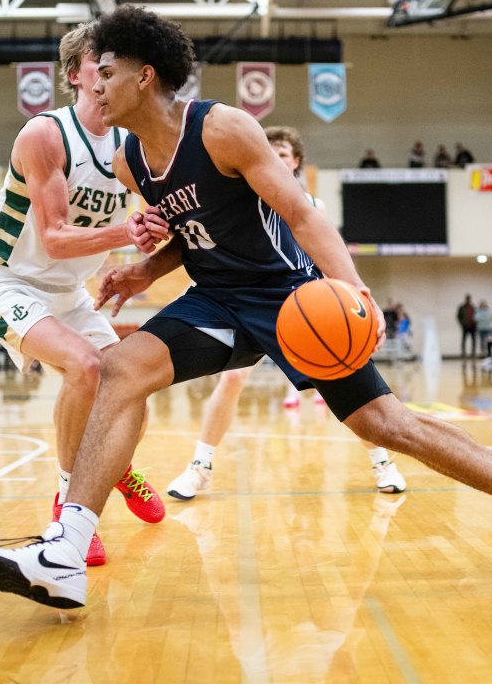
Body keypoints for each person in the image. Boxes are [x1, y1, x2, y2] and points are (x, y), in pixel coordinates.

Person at [0, 5, 492, 608]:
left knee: (387, 426)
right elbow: (189, 234)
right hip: (216, 299)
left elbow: (301, 213)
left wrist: (354, 290)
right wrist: (142, 270)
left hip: (288, 300)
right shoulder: (132, 160)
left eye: (106, 74)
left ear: (145, 76)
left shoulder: (222, 129)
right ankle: (66, 553)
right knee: (119, 368)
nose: (95, 87)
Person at [0, 19, 170, 567]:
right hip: (5, 281)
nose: (108, 73)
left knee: (131, 382)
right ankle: (67, 501)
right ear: (76, 75)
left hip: (69, 292)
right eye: (99, 63)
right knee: (85, 367)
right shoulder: (44, 135)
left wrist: (153, 241)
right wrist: (128, 233)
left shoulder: (131, 146)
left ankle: (116, 464)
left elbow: (158, 214)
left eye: (116, 64)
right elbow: (55, 238)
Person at [165, 126, 406, 501]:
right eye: (269, 151)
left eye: (283, 154)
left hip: (304, 304)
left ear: (295, 162)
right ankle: (200, 467)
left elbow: (327, 259)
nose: (276, 158)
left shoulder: (311, 203)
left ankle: (382, 462)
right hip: (251, 303)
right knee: (230, 383)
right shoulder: (240, 200)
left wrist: (350, 302)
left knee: (343, 388)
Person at [456, 294, 477, 358]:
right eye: (467, 299)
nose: (468, 300)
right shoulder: (461, 307)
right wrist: (462, 323)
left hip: (472, 326)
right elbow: (458, 316)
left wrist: (475, 324)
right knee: (464, 340)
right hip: (465, 326)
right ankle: (463, 353)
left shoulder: (473, 307)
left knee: (473, 340)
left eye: (469, 299)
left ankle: (473, 353)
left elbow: (476, 316)